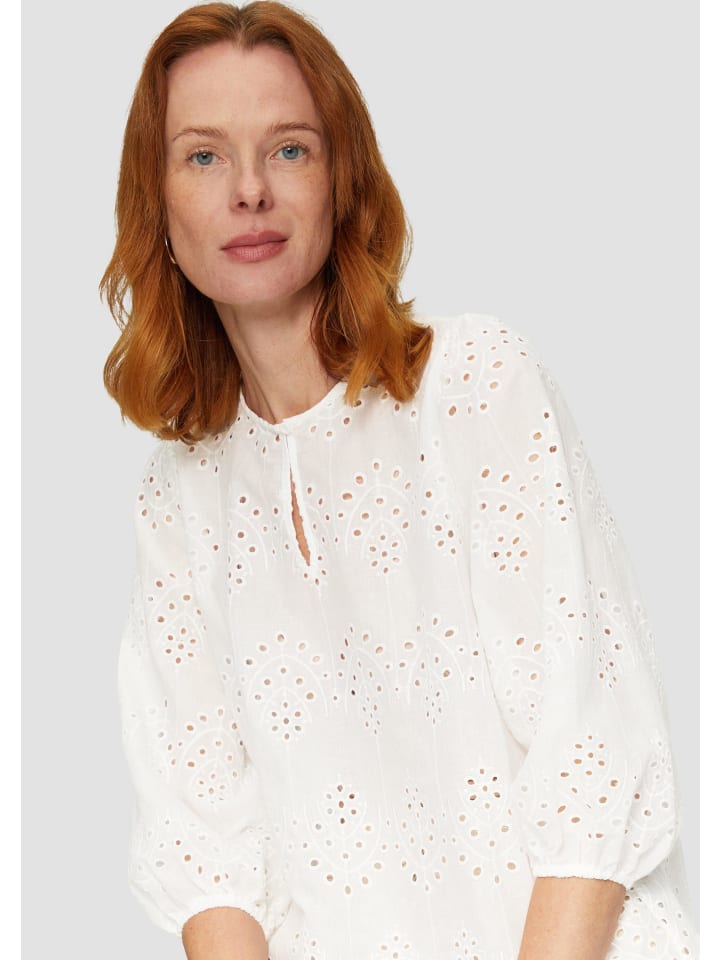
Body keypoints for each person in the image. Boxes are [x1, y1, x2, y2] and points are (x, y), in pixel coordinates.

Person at [102, 3, 697, 958]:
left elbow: (592, 769)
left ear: (343, 182)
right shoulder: (178, 497)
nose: (249, 190)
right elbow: (209, 854)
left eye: (289, 149)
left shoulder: (479, 386)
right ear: (158, 209)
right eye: (203, 156)